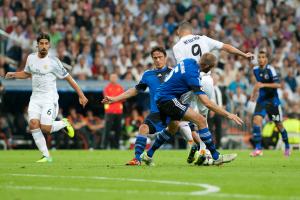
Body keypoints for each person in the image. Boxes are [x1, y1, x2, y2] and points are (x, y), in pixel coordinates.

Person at [140, 53, 243, 166]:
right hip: (168, 99)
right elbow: (207, 103)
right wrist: (228, 114)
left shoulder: (188, 61)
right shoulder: (193, 76)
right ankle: (216, 156)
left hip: (162, 97)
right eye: (211, 68)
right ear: (207, 67)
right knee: (201, 120)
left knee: (173, 127)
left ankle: (148, 155)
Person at [172, 21, 254, 164]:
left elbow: (183, 67)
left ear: (180, 31)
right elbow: (226, 47)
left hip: (191, 81)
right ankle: (206, 152)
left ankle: (195, 145)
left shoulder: (177, 46)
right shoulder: (203, 38)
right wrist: (243, 54)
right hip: (207, 80)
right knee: (203, 117)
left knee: (183, 115)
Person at [5, 33, 88, 162]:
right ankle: (46, 156)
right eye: (41, 43)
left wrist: (81, 94)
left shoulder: (53, 62)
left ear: (49, 45)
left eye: (46, 44)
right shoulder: (31, 58)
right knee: (33, 124)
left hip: (50, 98)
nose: (44, 46)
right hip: (35, 98)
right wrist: (14, 74)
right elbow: (27, 74)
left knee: (46, 128)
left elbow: (69, 78)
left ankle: (63, 123)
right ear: (37, 45)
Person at [102, 46, 171, 165]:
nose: (158, 60)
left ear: (165, 58)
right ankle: (137, 159)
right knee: (143, 128)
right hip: (157, 112)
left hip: (175, 109)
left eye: (160, 57)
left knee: (192, 129)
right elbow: (134, 90)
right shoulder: (148, 75)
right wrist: (115, 99)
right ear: (152, 59)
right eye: (155, 58)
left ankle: (205, 151)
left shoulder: (174, 72)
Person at [249, 50, 290, 157]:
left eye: (263, 57)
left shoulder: (271, 69)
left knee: (279, 125)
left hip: (273, 101)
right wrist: (253, 94)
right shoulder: (255, 70)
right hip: (262, 100)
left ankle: (287, 146)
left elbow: (278, 85)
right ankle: (258, 148)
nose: (261, 59)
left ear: (266, 59)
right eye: (259, 57)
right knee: (256, 120)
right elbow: (258, 84)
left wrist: (264, 85)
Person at [102, 73, 124, 149]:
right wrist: (117, 98)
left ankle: (116, 146)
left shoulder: (120, 88)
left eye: (115, 77)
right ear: (110, 78)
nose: (114, 79)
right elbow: (107, 99)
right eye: (112, 77)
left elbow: (123, 98)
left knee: (118, 130)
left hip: (119, 112)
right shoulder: (107, 88)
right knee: (107, 129)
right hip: (109, 112)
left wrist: (113, 99)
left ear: (117, 78)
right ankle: (104, 146)